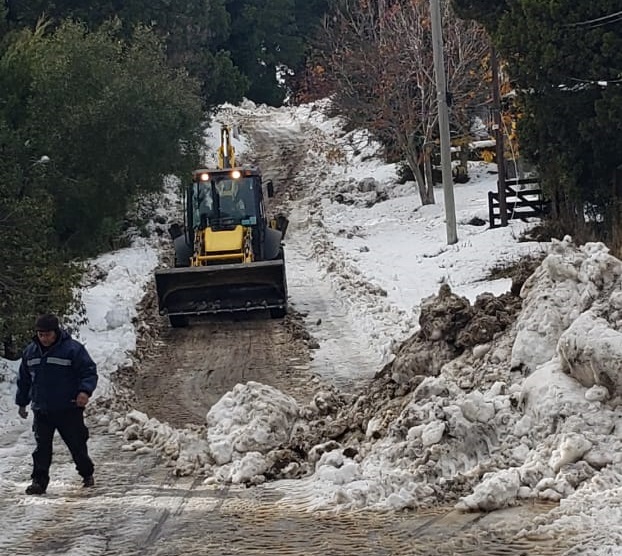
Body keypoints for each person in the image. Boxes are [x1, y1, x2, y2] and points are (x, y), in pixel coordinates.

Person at [16, 313, 98, 495]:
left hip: (68, 409)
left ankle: (86, 473)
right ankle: (39, 482)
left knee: (77, 445)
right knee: (41, 448)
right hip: (42, 410)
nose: (44, 338)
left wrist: (84, 391)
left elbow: (89, 372)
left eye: (47, 334)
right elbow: (24, 380)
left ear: (56, 332)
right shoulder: (30, 353)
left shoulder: (72, 350)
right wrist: (22, 403)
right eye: (41, 334)